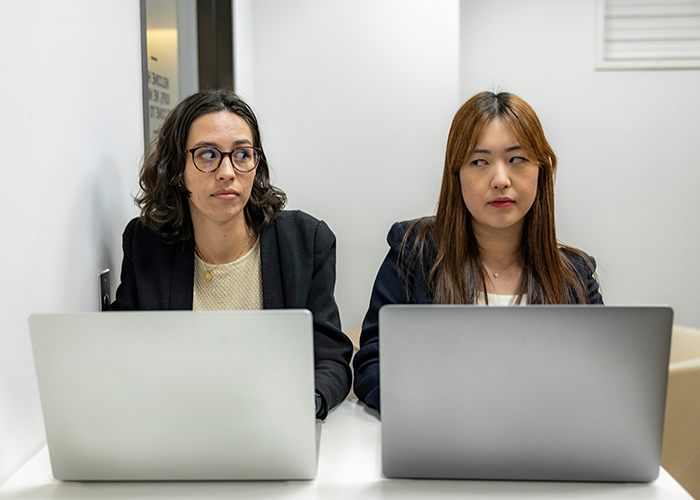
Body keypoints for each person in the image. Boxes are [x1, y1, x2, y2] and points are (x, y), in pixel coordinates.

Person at [353, 91, 603, 412]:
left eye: (517, 159)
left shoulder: (575, 275)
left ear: (541, 171)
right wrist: (431, 408)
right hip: (441, 441)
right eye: (479, 162)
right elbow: (373, 363)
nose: (500, 179)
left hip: (544, 448)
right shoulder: (414, 250)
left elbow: (601, 380)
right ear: (456, 174)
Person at [111, 89, 352, 419]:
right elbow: (119, 354)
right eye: (208, 155)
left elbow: (330, 358)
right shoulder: (146, 245)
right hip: (176, 428)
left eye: (241, 154)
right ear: (177, 169)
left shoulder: (305, 242)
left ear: (256, 163)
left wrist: (306, 402)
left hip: (272, 428)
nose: (227, 171)